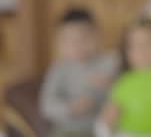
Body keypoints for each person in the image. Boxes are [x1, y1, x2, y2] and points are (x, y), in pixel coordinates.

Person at [40, 8, 118, 137]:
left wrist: (111, 84)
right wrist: (71, 108)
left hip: (103, 127)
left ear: (97, 36)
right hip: (68, 129)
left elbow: (126, 92)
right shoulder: (59, 69)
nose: (77, 45)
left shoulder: (110, 62)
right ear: (60, 43)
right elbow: (47, 105)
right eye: (69, 41)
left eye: (83, 38)